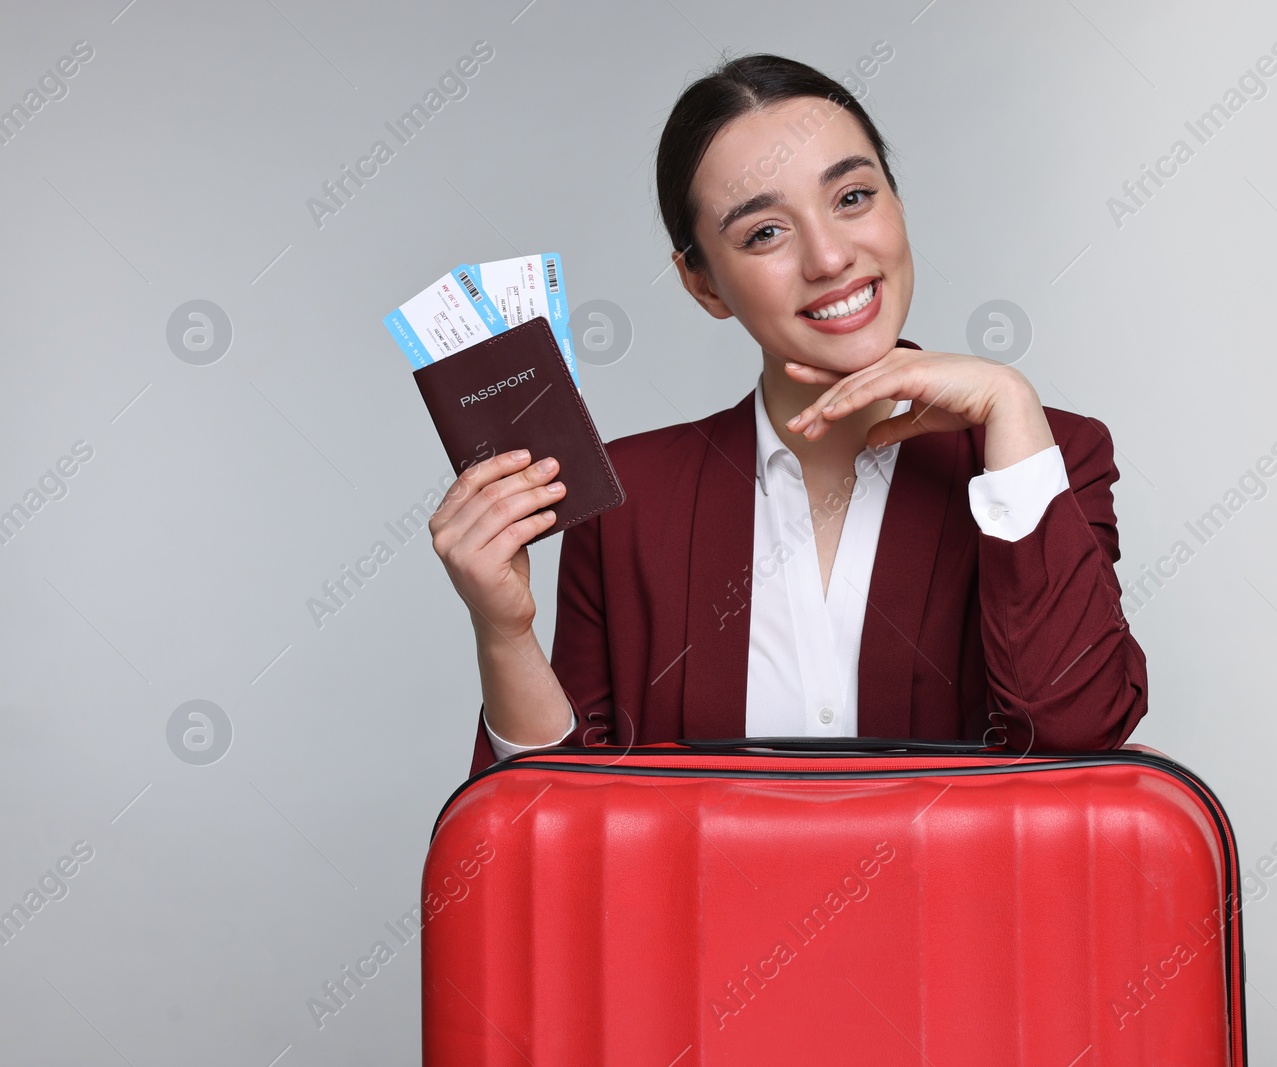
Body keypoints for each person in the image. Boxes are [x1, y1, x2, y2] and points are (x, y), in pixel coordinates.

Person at [429, 54, 1148, 778]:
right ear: (702, 283)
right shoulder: (629, 502)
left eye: (854, 197)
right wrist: (504, 633)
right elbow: (554, 825)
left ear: (897, 203)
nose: (831, 256)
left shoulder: (1045, 456)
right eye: (765, 233)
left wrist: (1012, 408)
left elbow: (1077, 740)